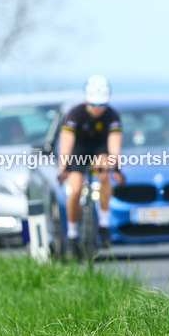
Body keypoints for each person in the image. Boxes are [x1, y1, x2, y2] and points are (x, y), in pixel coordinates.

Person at [57, 75, 123, 253]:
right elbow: (66, 144)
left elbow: (114, 146)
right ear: (86, 100)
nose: (97, 109)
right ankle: (72, 233)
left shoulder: (111, 116)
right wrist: (63, 168)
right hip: (79, 151)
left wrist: (116, 166)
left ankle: (103, 222)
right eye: (94, 104)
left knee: (104, 169)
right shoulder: (75, 114)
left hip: (99, 150)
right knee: (76, 189)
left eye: (101, 105)